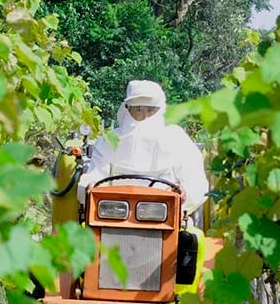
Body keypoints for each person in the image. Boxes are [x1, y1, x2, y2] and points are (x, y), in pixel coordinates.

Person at [77, 80, 208, 218]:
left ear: (160, 110)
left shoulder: (177, 140)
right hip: (113, 215)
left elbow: (196, 184)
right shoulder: (109, 141)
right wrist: (90, 185)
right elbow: (95, 175)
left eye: (151, 110)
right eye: (138, 110)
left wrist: (184, 194)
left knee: (188, 233)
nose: (145, 116)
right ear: (127, 109)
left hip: (165, 217)